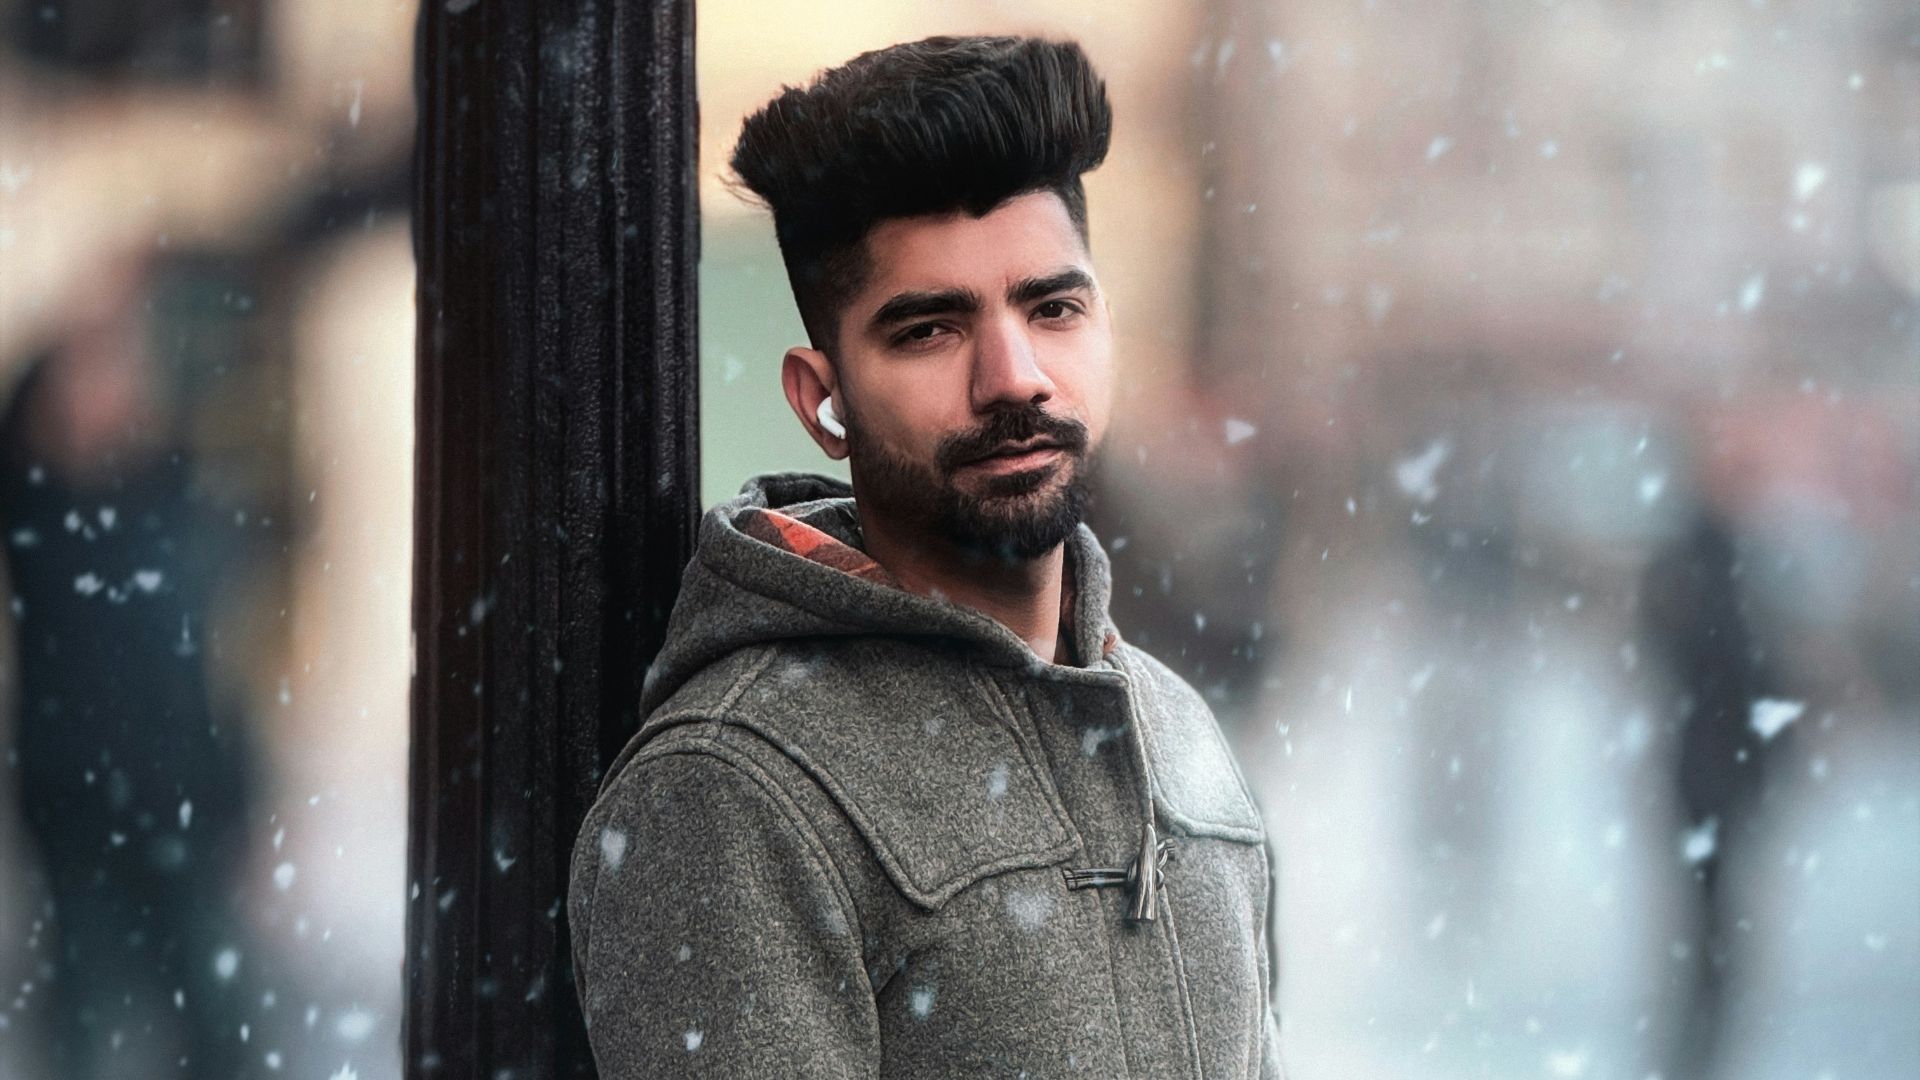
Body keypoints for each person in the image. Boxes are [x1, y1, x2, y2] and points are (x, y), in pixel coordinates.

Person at [568, 35, 1286, 1078]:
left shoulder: (1174, 728)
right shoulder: (732, 791)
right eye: (931, 330)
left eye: (1053, 308)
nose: (1016, 376)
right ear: (823, 401)